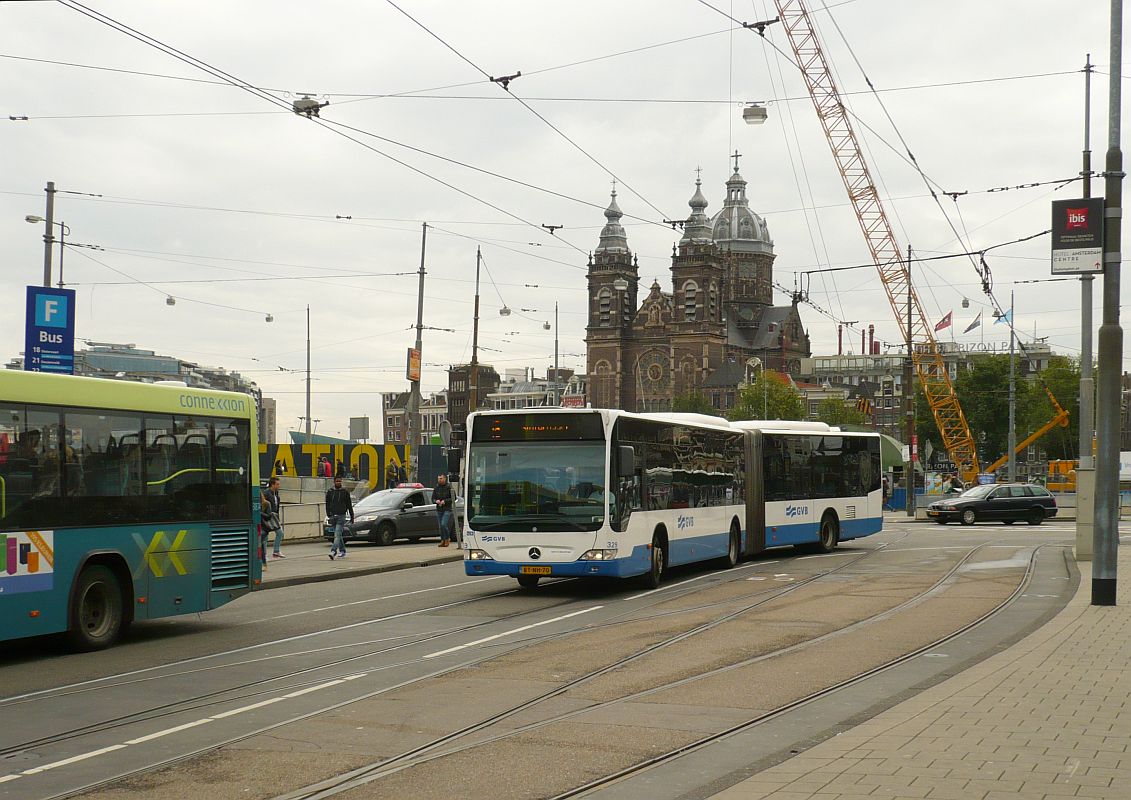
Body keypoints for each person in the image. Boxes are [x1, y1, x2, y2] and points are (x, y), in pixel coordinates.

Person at [325, 475, 354, 559]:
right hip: (333, 516)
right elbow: (327, 504)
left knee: (337, 534)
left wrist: (352, 516)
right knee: (339, 535)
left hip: (341, 516)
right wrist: (328, 514)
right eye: (337, 481)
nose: (339, 482)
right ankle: (343, 551)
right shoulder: (330, 492)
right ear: (334, 482)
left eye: (340, 481)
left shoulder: (345, 492)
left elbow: (349, 505)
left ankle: (333, 551)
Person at [262, 476, 285, 559]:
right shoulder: (266, 493)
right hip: (267, 517)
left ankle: (276, 551)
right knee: (265, 536)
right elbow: (263, 505)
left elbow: (276, 506)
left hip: (274, 517)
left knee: (280, 532)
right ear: (272, 485)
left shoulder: (276, 494)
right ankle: (264, 555)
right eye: (277, 484)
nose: (279, 486)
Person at [433, 472, 454, 547]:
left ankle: (447, 538)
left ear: (445, 479)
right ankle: (442, 540)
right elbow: (433, 498)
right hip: (439, 509)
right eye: (438, 479)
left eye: (441, 478)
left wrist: (445, 501)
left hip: (447, 509)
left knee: (443, 524)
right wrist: (436, 501)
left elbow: (453, 498)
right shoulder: (436, 488)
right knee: (440, 526)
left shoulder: (449, 487)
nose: (439, 480)